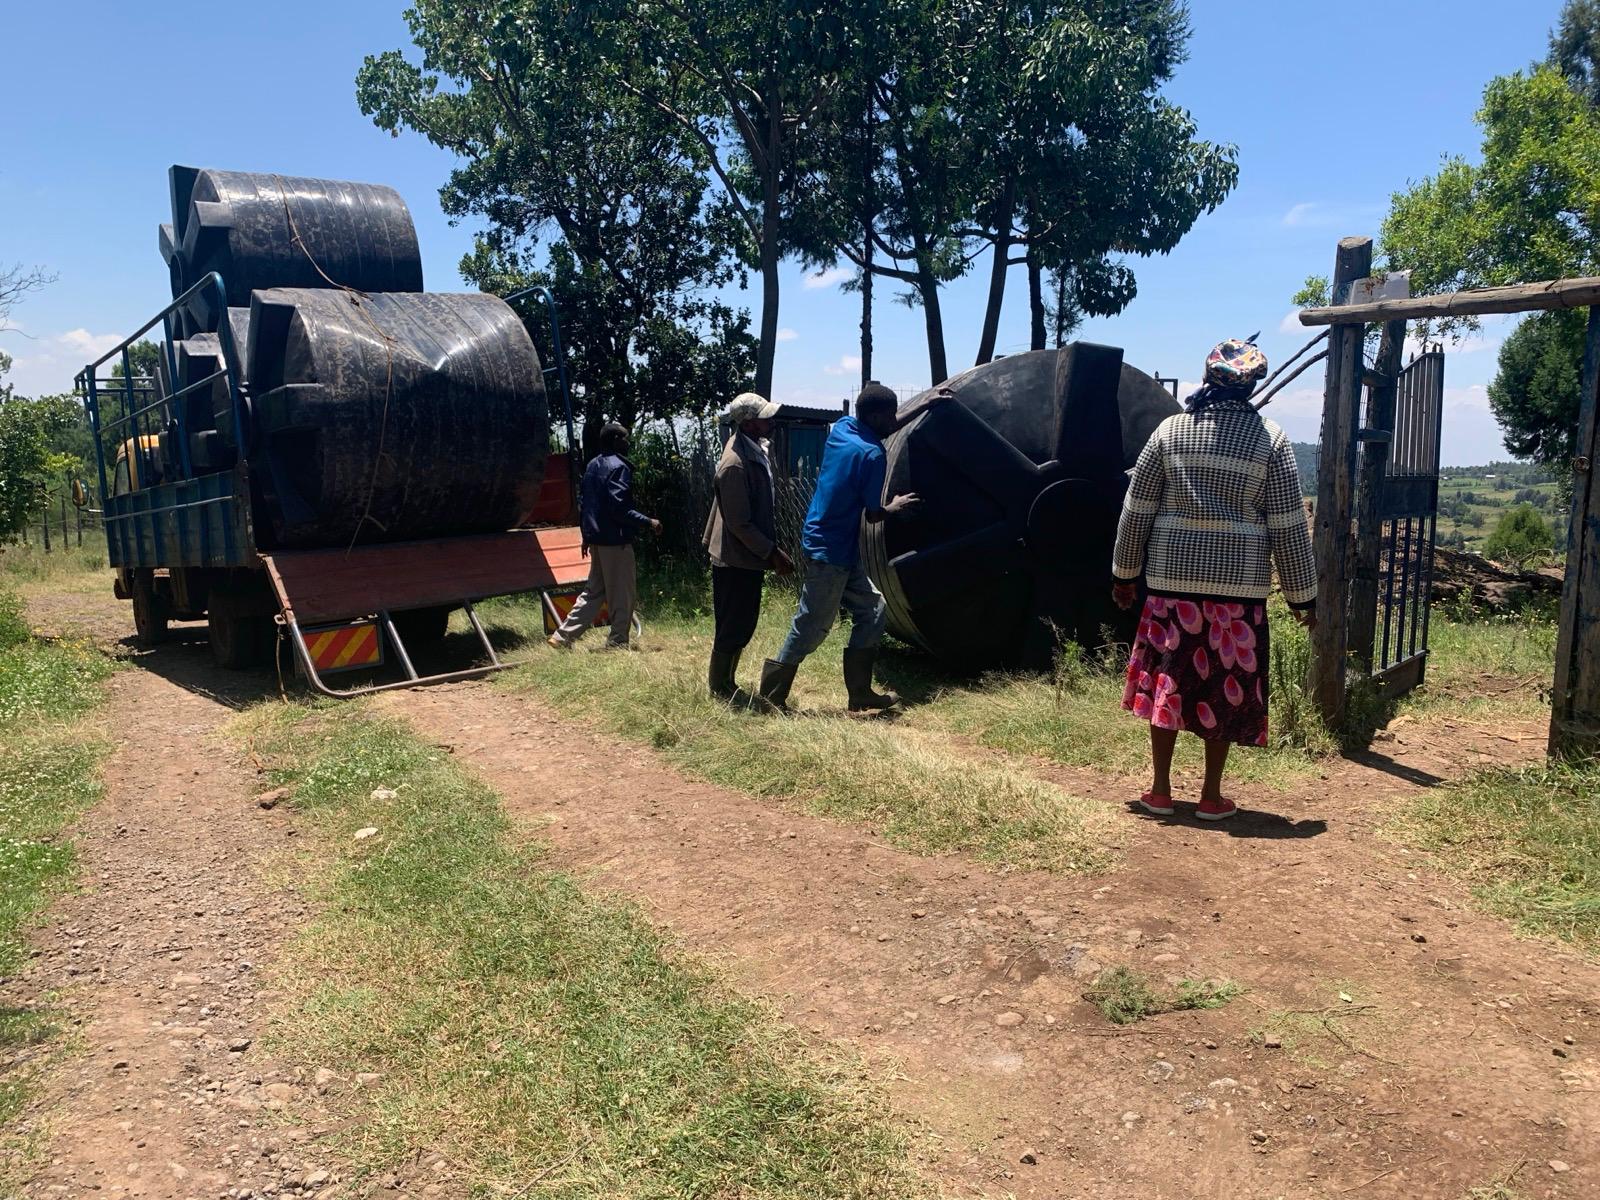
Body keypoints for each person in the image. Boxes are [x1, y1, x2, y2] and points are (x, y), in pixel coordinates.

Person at [1110, 336, 1318, 822]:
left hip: (1171, 584)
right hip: (1238, 592)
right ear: (1251, 386)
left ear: (1208, 378)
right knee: (1222, 687)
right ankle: (1210, 796)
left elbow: (1136, 510)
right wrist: (1302, 597)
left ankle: (1160, 791)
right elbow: (1288, 524)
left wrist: (1123, 574)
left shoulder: (1169, 432)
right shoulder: (1270, 439)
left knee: (1168, 682)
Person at [758, 382, 919, 712]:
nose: (894, 420)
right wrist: (896, 505)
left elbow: (886, 425)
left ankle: (859, 694)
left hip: (833, 544)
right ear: (875, 417)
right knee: (811, 625)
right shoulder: (873, 455)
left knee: (872, 610)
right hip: (829, 553)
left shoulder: (844, 428)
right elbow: (874, 515)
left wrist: (924, 405)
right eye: (889, 415)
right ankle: (771, 696)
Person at [702, 392, 795, 699]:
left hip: (746, 555)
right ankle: (719, 687)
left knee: (744, 622)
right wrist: (772, 552)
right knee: (733, 624)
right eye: (765, 417)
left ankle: (727, 681)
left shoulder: (755, 448)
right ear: (750, 424)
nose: (771, 420)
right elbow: (739, 524)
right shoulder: (735, 464)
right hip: (734, 558)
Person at [547, 422, 660, 650]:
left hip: (597, 540)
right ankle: (618, 641)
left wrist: (587, 537)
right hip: (615, 541)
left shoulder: (592, 465)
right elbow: (618, 508)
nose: (627, 442)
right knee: (623, 594)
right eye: (625, 438)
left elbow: (587, 505)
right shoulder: (619, 467)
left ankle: (562, 637)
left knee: (593, 592)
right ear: (616, 440)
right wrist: (648, 521)